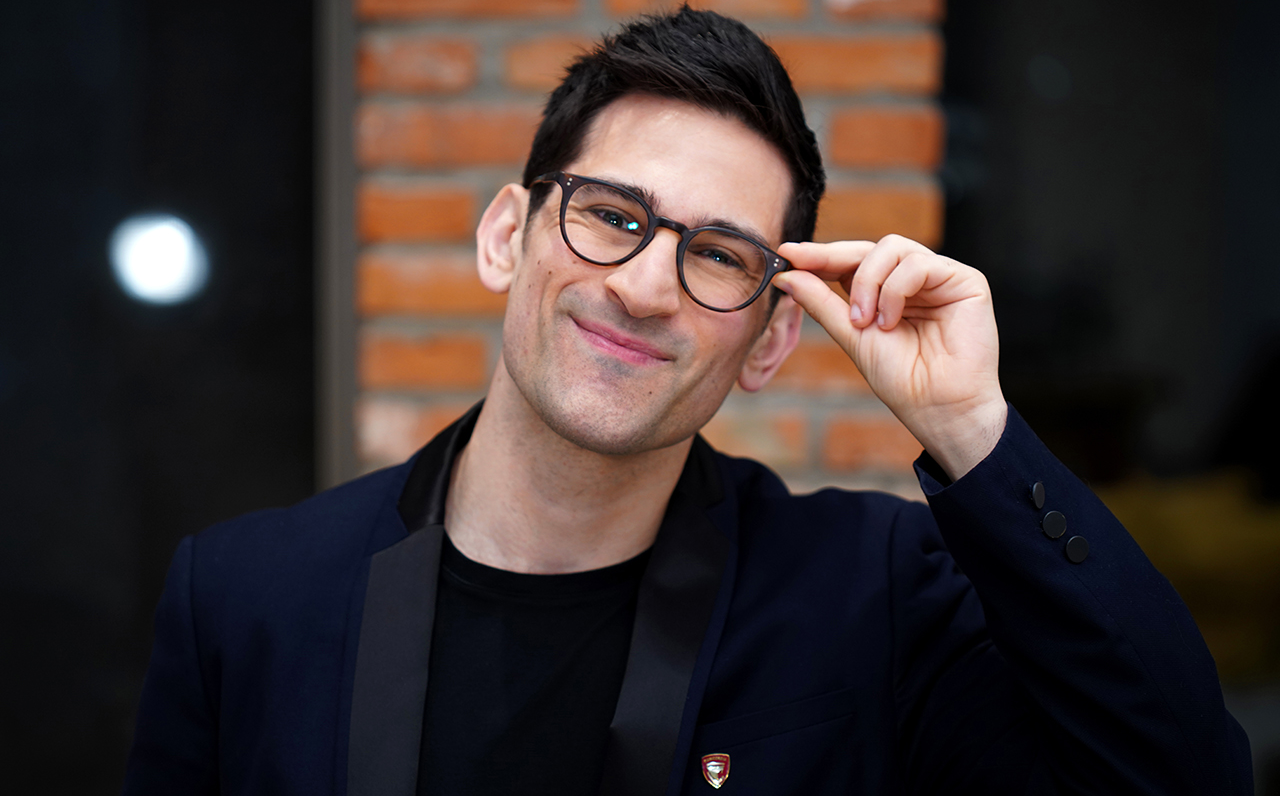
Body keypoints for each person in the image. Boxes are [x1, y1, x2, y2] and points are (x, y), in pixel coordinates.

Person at [122, 7, 1252, 795]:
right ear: (507, 235)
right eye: (612, 214)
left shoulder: (873, 598)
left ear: (768, 339)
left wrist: (971, 427)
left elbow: (1178, 776)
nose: (646, 286)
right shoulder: (241, 599)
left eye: (717, 254)